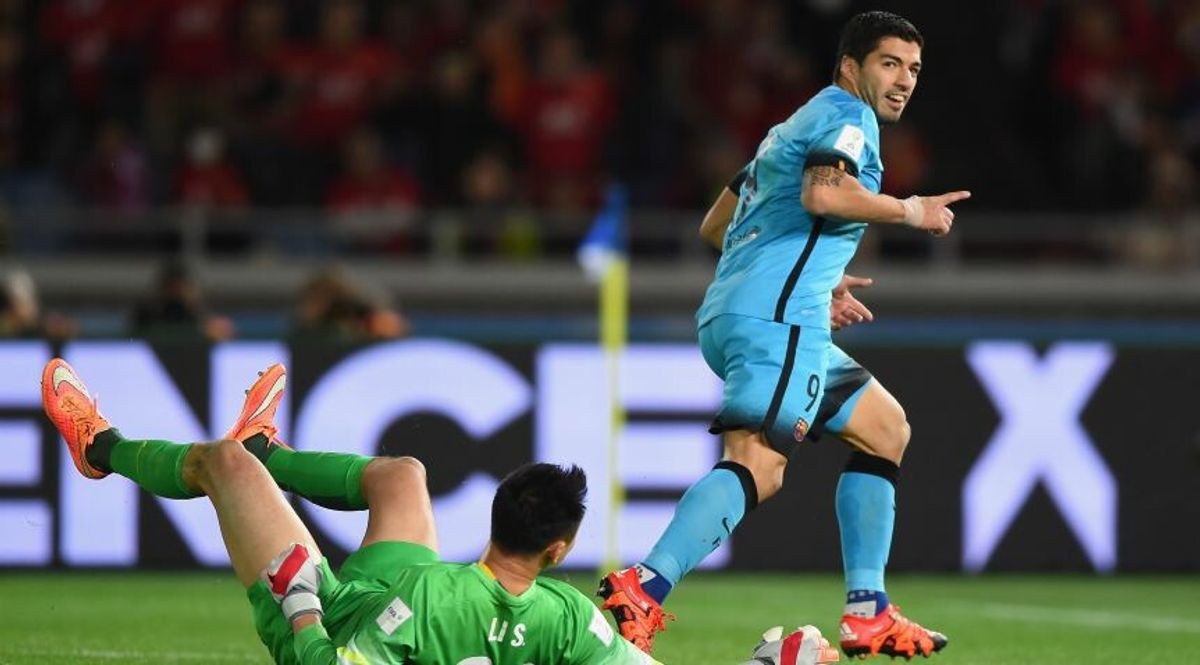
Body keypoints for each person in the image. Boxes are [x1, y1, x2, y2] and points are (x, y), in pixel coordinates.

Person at [41, 358, 839, 665]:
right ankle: (269, 447)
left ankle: (99, 444)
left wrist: (303, 607)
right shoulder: (570, 618)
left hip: (340, 619)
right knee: (402, 475)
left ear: (494, 517)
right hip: (410, 587)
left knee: (225, 467)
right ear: (559, 550)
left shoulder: (429, 604)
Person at [597, 11, 969, 660]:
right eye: (890, 64)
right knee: (758, 466)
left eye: (913, 69)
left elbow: (717, 223)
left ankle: (868, 612)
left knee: (886, 426)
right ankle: (643, 588)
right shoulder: (848, 119)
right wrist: (911, 210)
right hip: (777, 321)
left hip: (742, 312)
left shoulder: (788, 127)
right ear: (850, 67)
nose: (905, 80)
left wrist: (816, 277)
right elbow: (826, 194)